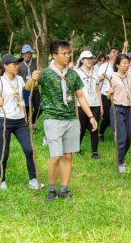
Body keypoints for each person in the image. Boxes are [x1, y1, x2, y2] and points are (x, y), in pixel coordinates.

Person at [26, 40, 98, 202]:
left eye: (69, 53)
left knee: (67, 156)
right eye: (64, 53)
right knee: (56, 156)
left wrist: (91, 116)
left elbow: (80, 96)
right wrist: (33, 79)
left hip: (71, 119)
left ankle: (64, 189)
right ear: (54, 55)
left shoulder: (72, 74)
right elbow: (28, 88)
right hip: (53, 119)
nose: (68, 56)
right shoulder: (45, 73)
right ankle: (52, 189)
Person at [0, 54, 42, 190]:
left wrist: (33, 79)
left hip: (20, 121)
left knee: (29, 149)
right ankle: (1, 180)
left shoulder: (20, 79)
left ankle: (32, 179)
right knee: (4, 152)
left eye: (17, 63)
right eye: (14, 64)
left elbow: (26, 90)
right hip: (4, 121)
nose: (17, 66)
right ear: (5, 66)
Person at [106, 54, 131, 172]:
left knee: (128, 136)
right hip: (117, 108)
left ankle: (121, 157)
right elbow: (108, 96)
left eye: (128, 63)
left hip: (128, 109)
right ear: (118, 65)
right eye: (124, 63)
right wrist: (110, 92)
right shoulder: (112, 77)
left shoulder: (130, 77)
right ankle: (120, 162)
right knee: (121, 137)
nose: (127, 65)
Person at [75, 50, 102, 160]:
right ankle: (77, 148)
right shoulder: (76, 72)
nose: (90, 60)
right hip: (81, 105)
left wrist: (101, 105)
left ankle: (94, 152)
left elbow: (98, 90)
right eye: (87, 59)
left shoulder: (95, 71)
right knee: (81, 128)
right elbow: (74, 91)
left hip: (95, 104)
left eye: (91, 59)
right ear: (82, 60)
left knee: (94, 128)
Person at [18, 44, 42, 131]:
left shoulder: (36, 62)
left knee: (39, 107)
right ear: (22, 54)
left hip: (35, 89)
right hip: (25, 90)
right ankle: (26, 125)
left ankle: (32, 122)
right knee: (27, 109)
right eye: (25, 53)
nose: (27, 55)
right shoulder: (19, 64)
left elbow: (39, 74)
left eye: (29, 53)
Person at [98, 47, 118, 141]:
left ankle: (117, 136)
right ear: (108, 55)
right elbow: (98, 79)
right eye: (113, 52)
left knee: (116, 116)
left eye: (117, 52)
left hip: (117, 95)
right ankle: (101, 133)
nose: (115, 54)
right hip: (106, 94)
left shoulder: (118, 66)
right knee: (107, 117)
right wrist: (103, 77)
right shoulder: (104, 66)